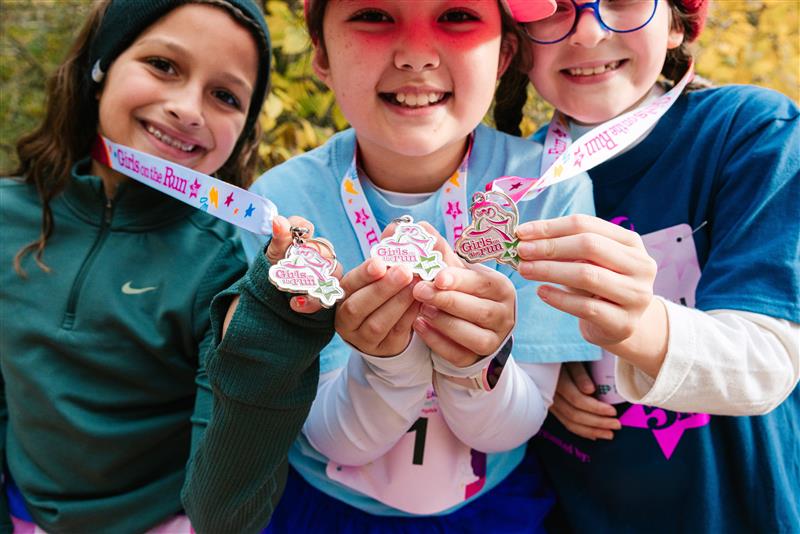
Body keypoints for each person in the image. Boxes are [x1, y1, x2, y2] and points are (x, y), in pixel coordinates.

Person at [242, 1, 597, 532]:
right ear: (321, 52)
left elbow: (510, 427)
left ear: (504, 52)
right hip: (319, 507)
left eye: (456, 15)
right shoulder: (280, 210)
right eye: (373, 15)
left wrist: (477, 362)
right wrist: (389, 366)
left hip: (494, 507)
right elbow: (330, 436)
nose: (414, 55)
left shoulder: (548, 191)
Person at [0, 1, 335, 532]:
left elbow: (225, 516)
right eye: (163, 65)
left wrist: (273, 334)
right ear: (101, 67)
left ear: (245, 128)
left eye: (225, 95)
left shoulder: (229, 263)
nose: (188, 108)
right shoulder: (7, 217)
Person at [493, 0, 800, 530]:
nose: (588, 32)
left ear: (678, 23)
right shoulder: (506, 186)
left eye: (622, 0)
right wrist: (536, 371)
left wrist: (638, 327)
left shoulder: (751, 132)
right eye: (555, 7)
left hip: (739, 509)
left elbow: (767, 363)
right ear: (517, 47)